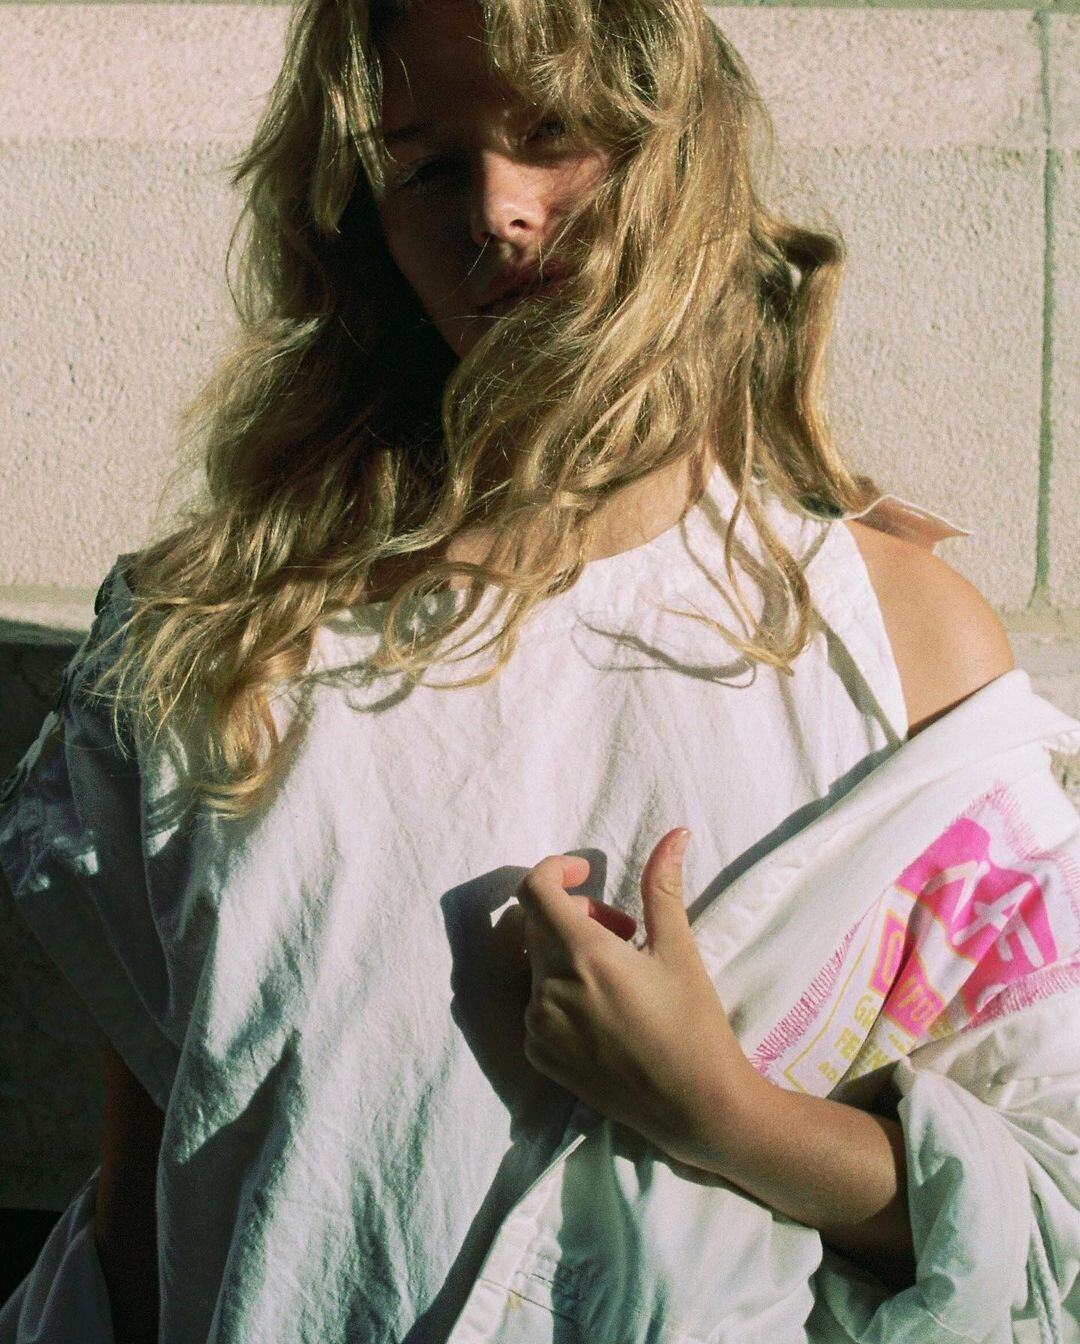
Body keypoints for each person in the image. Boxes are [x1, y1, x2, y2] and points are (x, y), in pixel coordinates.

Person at [2, 0, 1078, 1340]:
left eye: (557, 130)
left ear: (684, 153)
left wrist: (721, 1112)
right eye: (425, 167)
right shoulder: (218, 635)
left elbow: (1048, 1201)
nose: (498, 211)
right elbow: (149, 1220)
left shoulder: (894, 645)